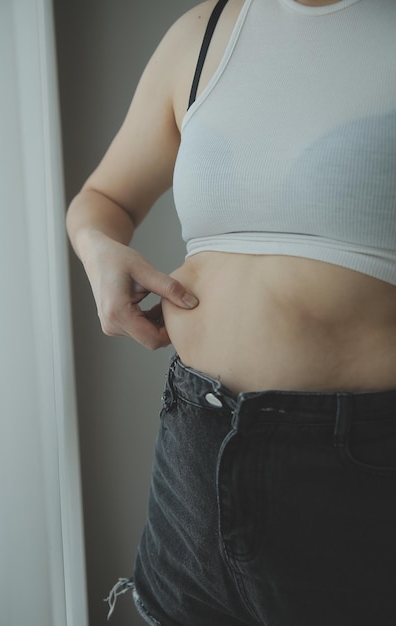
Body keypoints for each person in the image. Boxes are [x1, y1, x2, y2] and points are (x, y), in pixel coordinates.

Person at [66, 0, 396, 624]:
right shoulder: (204, 31)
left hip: (359, 468)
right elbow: (101, 199)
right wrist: (99, 252)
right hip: (195, 445)